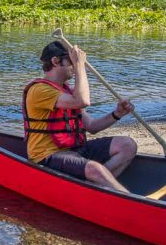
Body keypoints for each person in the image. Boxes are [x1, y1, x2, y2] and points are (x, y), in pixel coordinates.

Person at [23, 41, 137, 192]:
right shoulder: (39, 90)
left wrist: (117, 114)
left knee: (127, 145)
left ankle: (95, 187)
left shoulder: (67, 91)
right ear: (55, 61)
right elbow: (83, 101)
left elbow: (92, 127)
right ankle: (126, 198)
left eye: (75, 61)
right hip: (48, 156)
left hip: (75, 150)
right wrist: (80, 66)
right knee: (94, 168)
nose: (74, 65)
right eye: (71, 60)